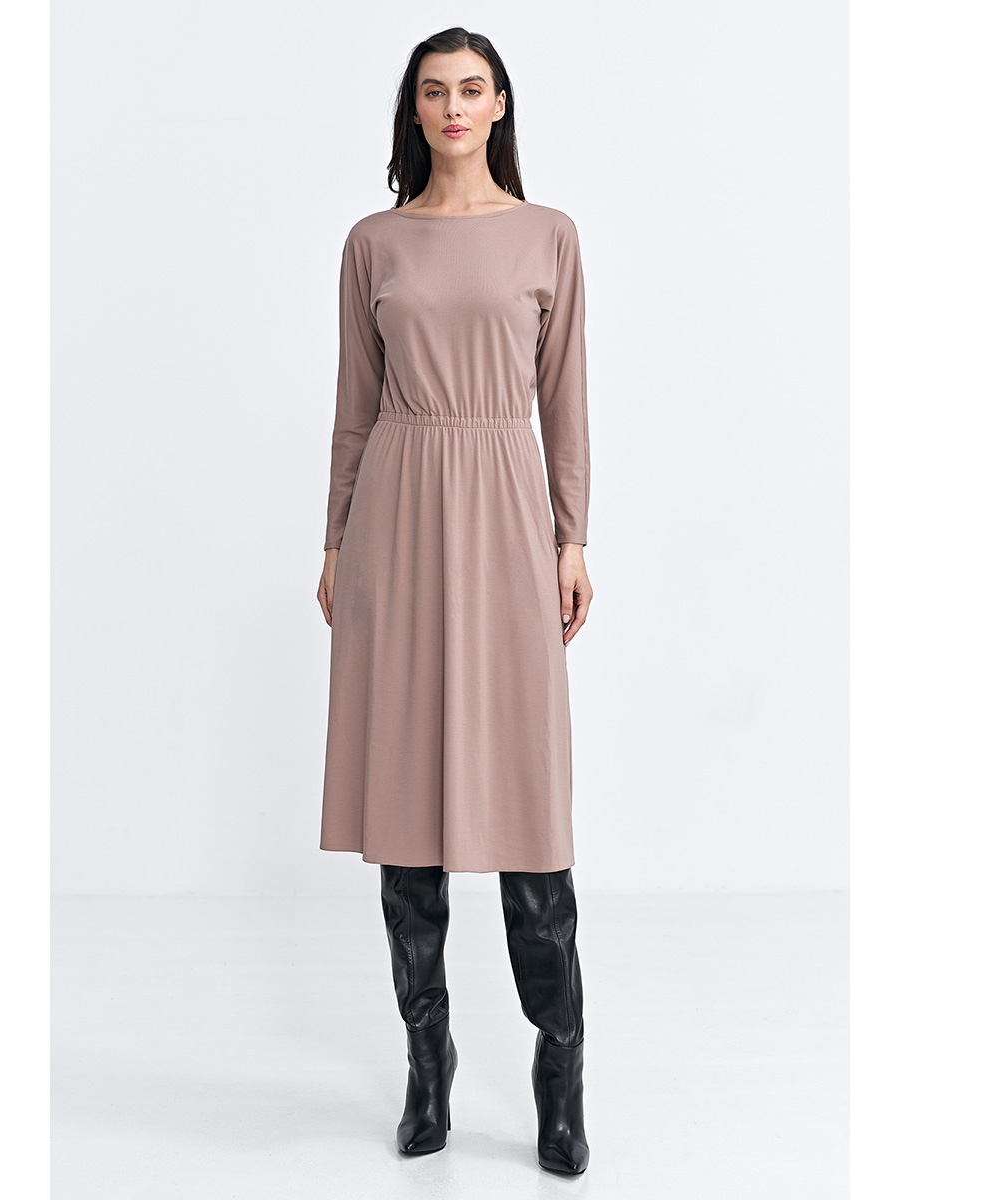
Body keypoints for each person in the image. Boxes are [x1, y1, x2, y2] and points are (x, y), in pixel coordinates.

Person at [315, 27, 593, 1175]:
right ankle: (427, 1063)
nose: (454, 107)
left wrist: (573, 537)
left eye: (472, 89)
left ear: (501, 103)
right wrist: (335, 538)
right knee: (405, 805)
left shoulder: (548, 234)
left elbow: (565, 399)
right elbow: (354, 404)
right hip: (397, 514)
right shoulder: (373, 242)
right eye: (435, 92)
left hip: (507, 512)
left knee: (528, 805)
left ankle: (560, 1070)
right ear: (415, 110)